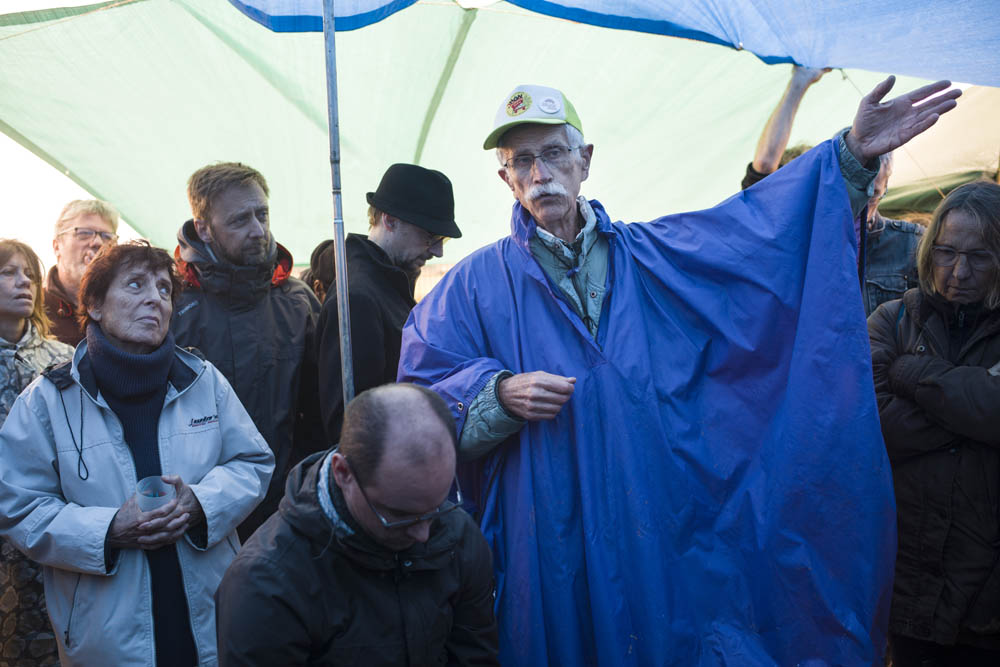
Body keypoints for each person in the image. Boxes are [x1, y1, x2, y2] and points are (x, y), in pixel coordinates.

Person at [398, 79, 960, 664]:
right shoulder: (469, 290)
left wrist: (848, 157)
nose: (540, 173)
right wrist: (496, 393)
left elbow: (757, 239)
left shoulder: (654, 257)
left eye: (554, 153)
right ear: (505, 178)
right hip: (548, 539)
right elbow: (419, 399)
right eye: (522, 161)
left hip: (660, 526)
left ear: (584, 161)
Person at [0, 241, 275, 665]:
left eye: (165, 290)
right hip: (104, 631)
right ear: (93, 305)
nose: (155, 298)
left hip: (211, 611)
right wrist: (108, 529)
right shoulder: (48, 400)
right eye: (135, 284)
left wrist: (200, 502)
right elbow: (18, 506)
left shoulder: (204, 381)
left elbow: (253, 463)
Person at [215, 383, 499, 666]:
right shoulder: (266, 586)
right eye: (399, 514)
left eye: (436, 507)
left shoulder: (458, 535)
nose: (424, 534)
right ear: (343, 473)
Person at [868, 181, 1000, 666]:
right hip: (909, 586)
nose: (959, 272)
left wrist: (912, 372)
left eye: (980, 257)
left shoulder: (902, 348)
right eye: (946, 253)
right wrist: (974, 405)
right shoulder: (893, 319)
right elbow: (873, 425)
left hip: (989, 597)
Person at [171, 162, 322, 540]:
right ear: (203, 228)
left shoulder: (297, 302)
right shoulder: (173, 306)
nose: (257, 230)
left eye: (262, 214)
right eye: (239, 220)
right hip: (199, 516)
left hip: (289, 510)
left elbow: (321, 410)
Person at [743, 66, 923, 315]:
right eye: (851, 184)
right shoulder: (799, 230)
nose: (861, 197)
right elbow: (761, 174)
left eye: (872, 192)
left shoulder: (911, 245)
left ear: (887, 185)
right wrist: (799, 83)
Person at [317, 163, 461, 441]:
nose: (438, 251)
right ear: (390, 220)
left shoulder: (386, 283)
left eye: (442, 239)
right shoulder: (357, 298)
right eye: (430, 236)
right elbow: (349, 427)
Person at [0, 239, 73, 667]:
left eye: (28, 273)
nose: (22, 282)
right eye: (7, 272)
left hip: (50, 526)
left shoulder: (63, 359)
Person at [44, 200, 119, 346]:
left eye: (107, 236)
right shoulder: (30, 308)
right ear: (57, 246)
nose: (97, 242)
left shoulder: (125, 308)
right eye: (84, 233)